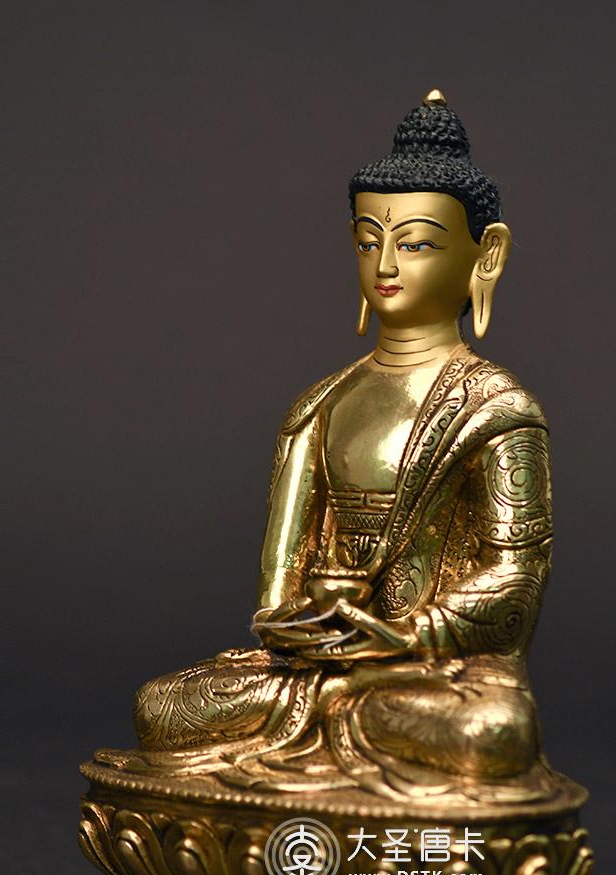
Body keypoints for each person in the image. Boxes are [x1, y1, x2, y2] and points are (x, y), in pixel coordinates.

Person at [126, 91, 556, 802]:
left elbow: (517, 578)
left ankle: (331, 743)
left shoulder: (499, 409)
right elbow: (277, 593)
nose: (384, 263)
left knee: (490, 732)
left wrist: (405, 637)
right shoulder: (318, 406)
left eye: (415, 243)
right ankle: (330, 732)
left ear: (486, 256)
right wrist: (299, 630)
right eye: (367, 241)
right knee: (163, 707)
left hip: (429, 671)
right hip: (314, 672)